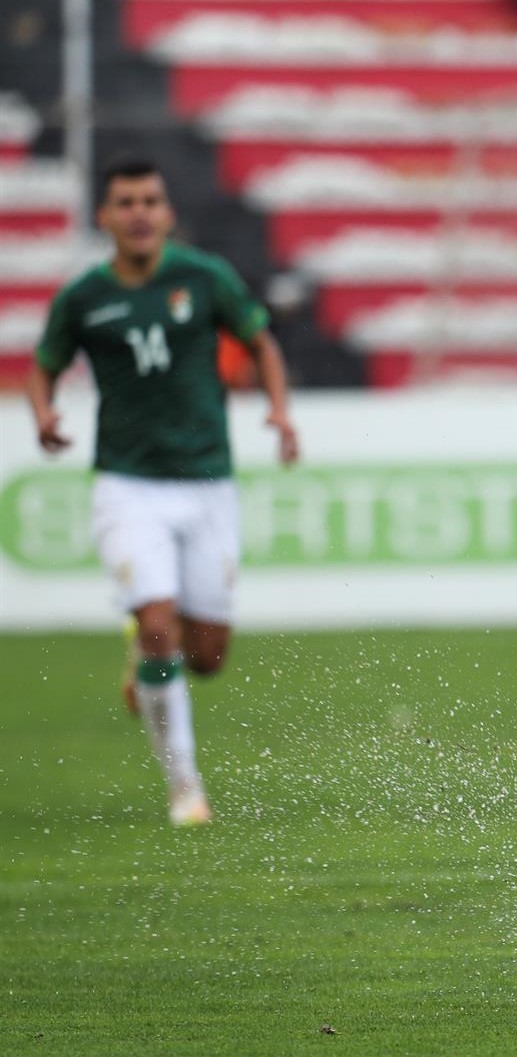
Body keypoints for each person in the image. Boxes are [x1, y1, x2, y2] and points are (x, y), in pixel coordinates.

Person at [28, 157, 301, 827]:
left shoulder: (204, 277)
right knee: (158, 626)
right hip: (127, 484)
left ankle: (150, 652)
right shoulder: (84, 296)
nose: (139, 213)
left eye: (150, 200)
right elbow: (45, 364)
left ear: (168, 212)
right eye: (126, 202)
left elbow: (260, 342)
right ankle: (185, 787)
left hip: (207, 482)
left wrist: (279, 411)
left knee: (206, 656)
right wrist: (44, 412)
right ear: (105, 216)